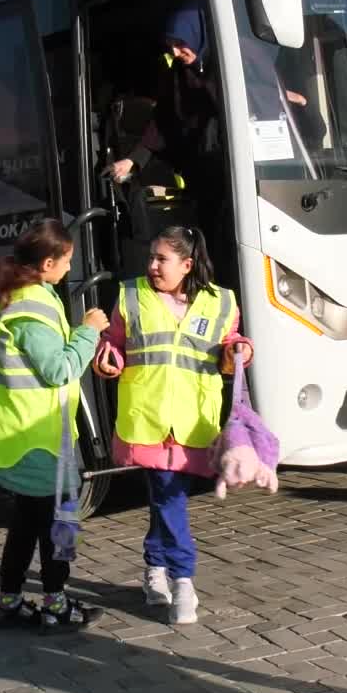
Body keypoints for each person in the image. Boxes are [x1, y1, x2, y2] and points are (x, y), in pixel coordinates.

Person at [91, 226, 252, 625]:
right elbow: (114, 341)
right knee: (168, 496)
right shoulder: (131, 295)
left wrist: (239, 349)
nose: (152, 266)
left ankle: (154, 570)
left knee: (165, 498)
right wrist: (107, 357)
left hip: (192, 419)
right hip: (146, 417)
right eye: (151, 256)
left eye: (161, 259)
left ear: (187, 264)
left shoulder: (221, 302)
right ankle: (183, 580)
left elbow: (228, 346)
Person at [105, 0, 319, 288]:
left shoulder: (241, 56)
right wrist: (134, 159)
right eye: (170, 46)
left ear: (198, 34)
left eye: (180, 44)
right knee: (214, 250)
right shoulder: (180, 75)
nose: (175, 53)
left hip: (252, 175)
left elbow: (262, 107)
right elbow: (164, 122)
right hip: (207, 179)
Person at [0, 219, 109, 633]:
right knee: (56, 529)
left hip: (25, 435)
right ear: (48, 263)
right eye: (66, 261)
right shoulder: (32, 307)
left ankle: (10, 602)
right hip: (36, 439)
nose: (70, 268)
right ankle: (56, 603)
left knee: (26, 525)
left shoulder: (23, 294)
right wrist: (89, 332)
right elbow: (59, 369)